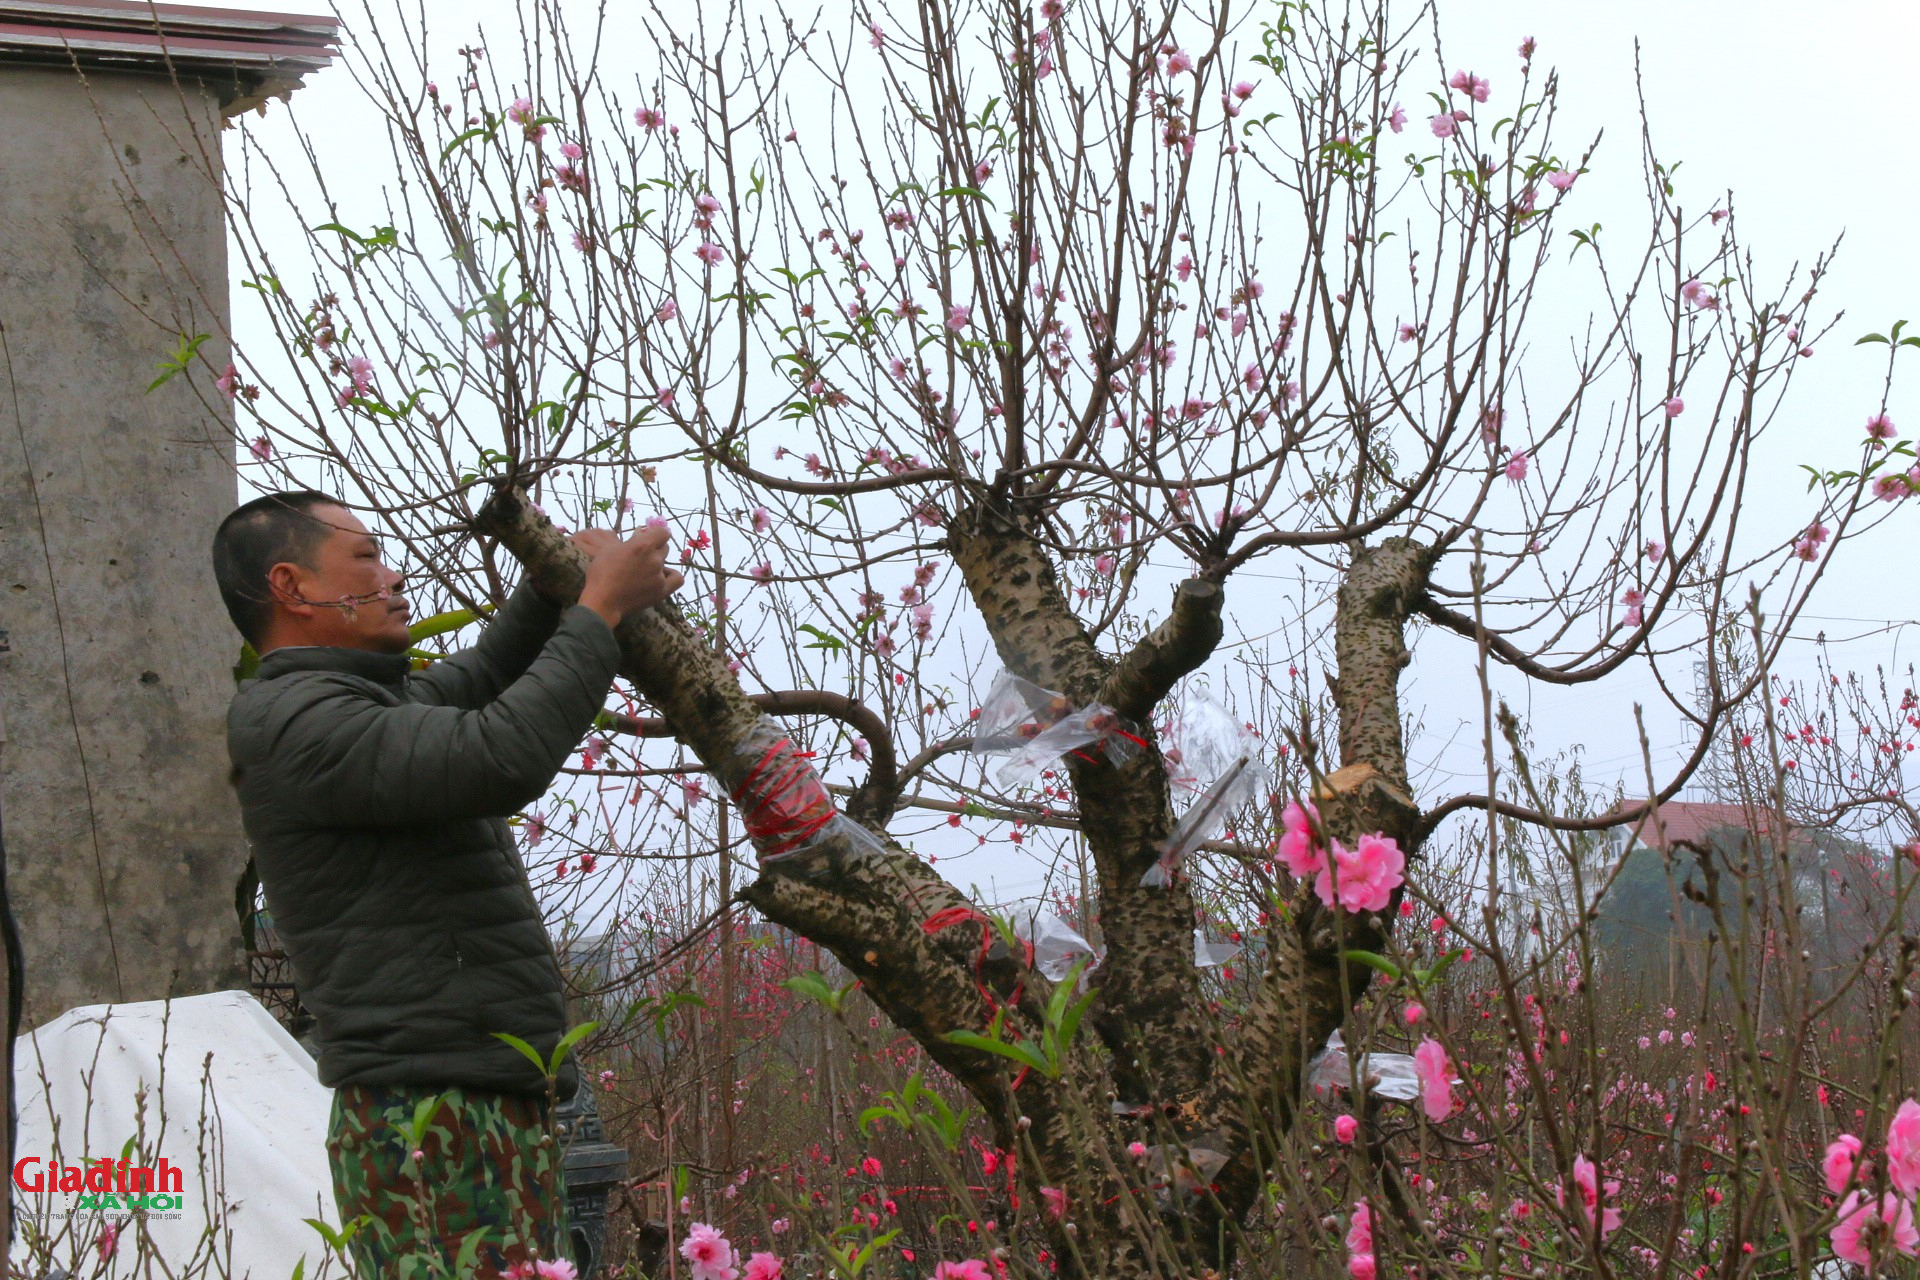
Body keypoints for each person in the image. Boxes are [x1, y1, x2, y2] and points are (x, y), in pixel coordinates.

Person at [214, 490, 679, 1279]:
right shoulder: (295, 722)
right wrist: (598, 610)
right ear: (290, 588)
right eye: (365, 560)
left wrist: (548, 588)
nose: (393, 579)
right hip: (425, 1115)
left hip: (475, 1101)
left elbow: (481, 679)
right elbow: (498, 753)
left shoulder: (351, 707)